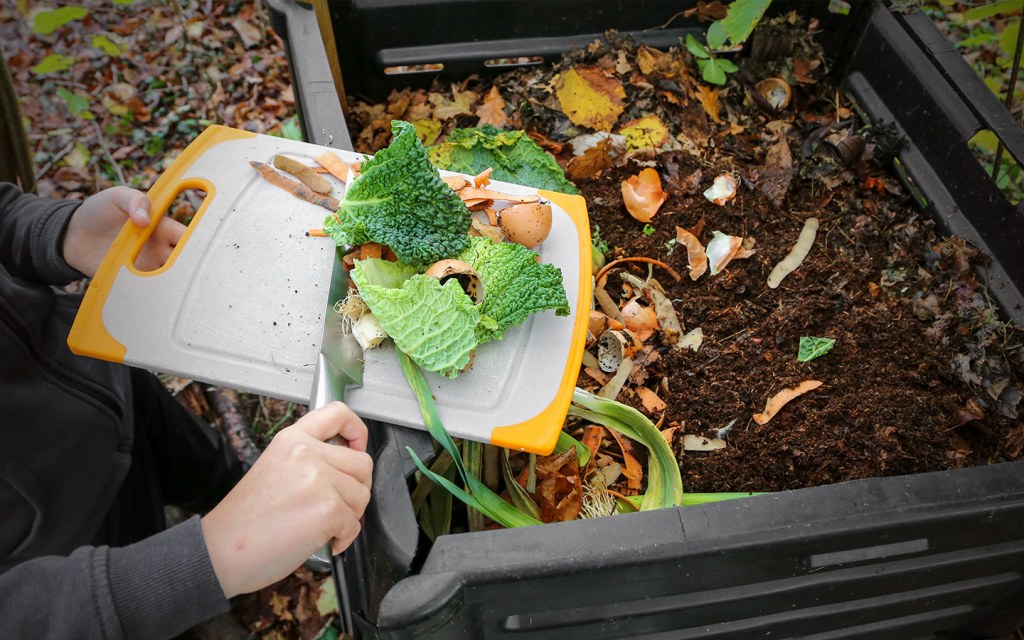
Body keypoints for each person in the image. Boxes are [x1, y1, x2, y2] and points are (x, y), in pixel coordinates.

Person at [0, 182, 373, 638]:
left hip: (104, 378)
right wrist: (205, 561)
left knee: (210, 471)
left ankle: (255, 539)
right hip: (63, 547)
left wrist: (58, 232)